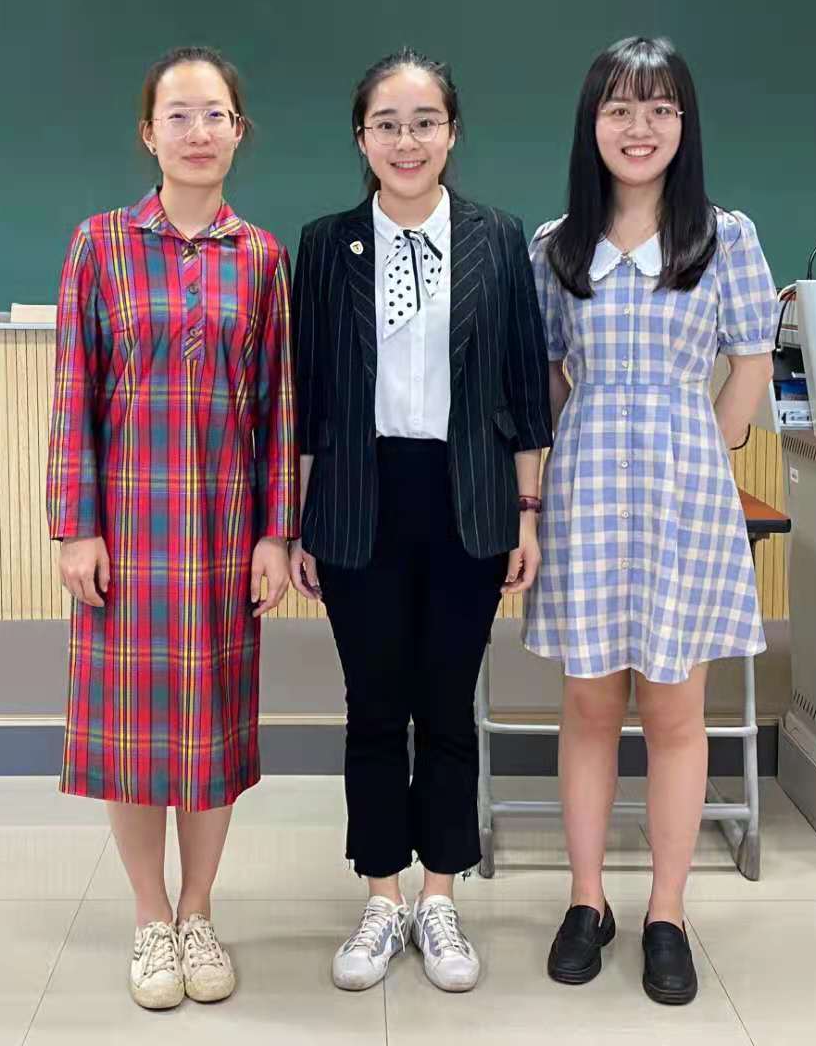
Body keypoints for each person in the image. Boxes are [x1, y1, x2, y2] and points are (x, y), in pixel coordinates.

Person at [288, 49, 553, 994]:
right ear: (361, 138)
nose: (407, 141)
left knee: (446, 707)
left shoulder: (498, 238)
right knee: (372, 706)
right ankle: (380, 897)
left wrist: (527, 514)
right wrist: (299, 521)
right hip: (358, 497)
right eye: (388, 125)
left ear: (453, 132)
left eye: (425, 122)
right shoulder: (325, 245)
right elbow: (309, 392)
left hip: (467, 498)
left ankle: (439, 897)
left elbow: (525, 390)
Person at [524, 36, 777, 1006]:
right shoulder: (556, 246)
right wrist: (543, 477)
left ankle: (666, 911)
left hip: (684, 491)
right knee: (589, 706)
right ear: (591, 124)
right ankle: (586, 900)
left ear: (684, 123)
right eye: (619, 108)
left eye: (660, 108)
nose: (640, 127)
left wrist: (712, 445)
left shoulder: (725, 237)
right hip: (587, 485)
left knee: (675, 711)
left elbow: (751, 354)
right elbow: (547, 376)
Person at [45, 46, 298, 1011]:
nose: (199, 132)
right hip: (127, 530)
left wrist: (276, 534)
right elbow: (73, 394)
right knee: (131, 730)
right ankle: (151, 917)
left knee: (214, 728)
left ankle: (199, 911)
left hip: (226, 531)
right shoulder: (99, 245)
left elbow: (278, 408)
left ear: (240, 131)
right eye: (179, 116)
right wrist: (76, 526)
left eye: (215, 115)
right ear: (149, 133)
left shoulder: (262, 258)